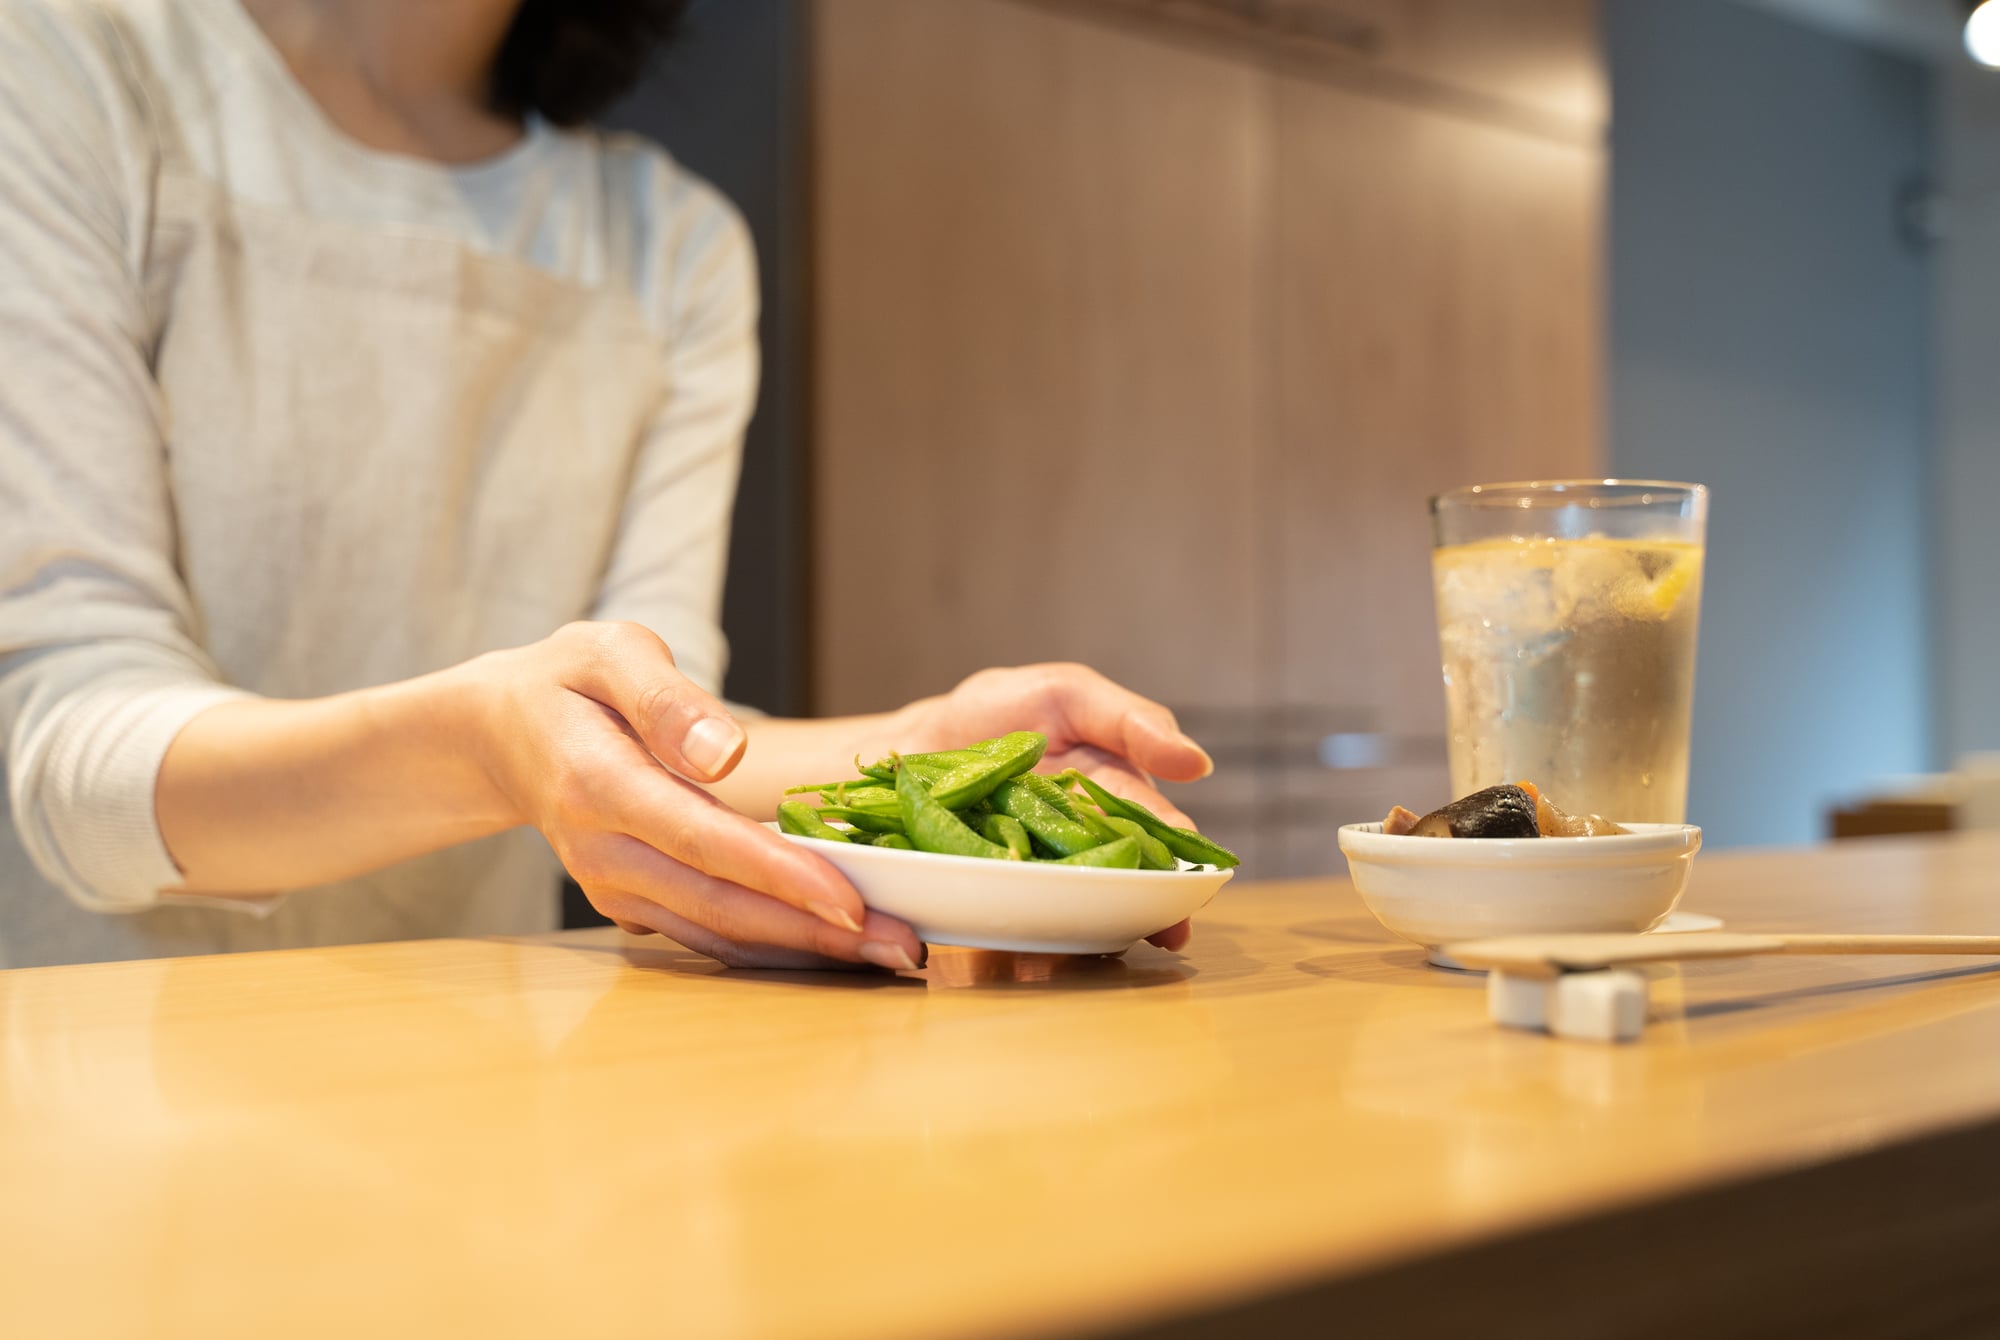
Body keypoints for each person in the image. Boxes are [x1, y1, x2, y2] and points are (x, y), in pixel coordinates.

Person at [0, 0, 1215, 970]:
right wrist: (483, 750)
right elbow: (72, 763)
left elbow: (664, 744)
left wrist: (918, 748)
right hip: (96, 1075)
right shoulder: (65, 71)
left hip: (465, 1072)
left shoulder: (670, 244)